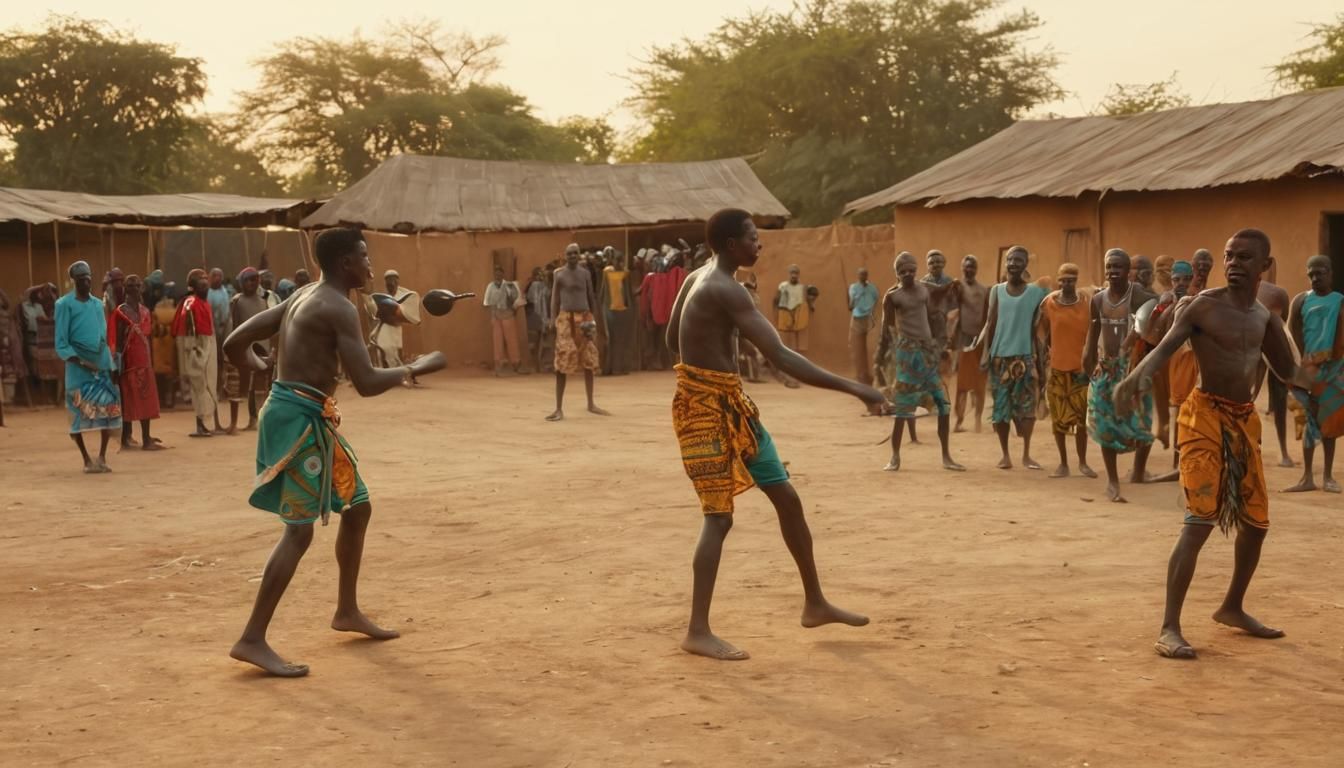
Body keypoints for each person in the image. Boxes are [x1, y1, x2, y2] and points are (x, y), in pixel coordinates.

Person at [224, 227, 447, 677]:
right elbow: (365, 382)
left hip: (305, 413)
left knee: (358, 506)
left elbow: (235, 343)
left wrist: (258, 364)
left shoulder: (307, 293)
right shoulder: (339, 307)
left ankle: (346, 610)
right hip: (298, 422)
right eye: (364, 257)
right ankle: (251, 638)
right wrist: (414, 368)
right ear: (346, 263)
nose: (370, 264)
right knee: (299, 532)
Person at [668, 208, 879, 661]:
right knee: (718, 518)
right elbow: (782, 357)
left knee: (786, 497)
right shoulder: (724, 288)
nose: (759, 246)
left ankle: (815, 603)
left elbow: (671, 338)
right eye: (752, 238)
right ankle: (697, 631)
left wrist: (713, 345)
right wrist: (855, 387)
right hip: (704, 412)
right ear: (730, 245)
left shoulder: (697, 278)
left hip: (732, 405)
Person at [1115, 229, 1307, 660]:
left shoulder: (1265, 317)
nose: (1234, 263)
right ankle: (1169, 626)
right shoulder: (1204, 306)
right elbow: (1163, 349)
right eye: (1229, 256)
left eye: (1244, 258)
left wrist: (1322, 383)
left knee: (1256, 523)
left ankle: (1233, 607)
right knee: (1199, 520)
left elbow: (1288, 371)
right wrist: (1134, 378)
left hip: (1243, 421)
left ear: (1265, 266)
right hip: (1202, 416)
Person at [877, 252, 965, 472]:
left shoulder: (924, 289)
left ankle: (946, 456)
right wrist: (887, 354)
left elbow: (937, 307)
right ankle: (895, 457)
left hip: (927, 353)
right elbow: (886, 328)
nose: (907, 274)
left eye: (911, 270)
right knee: (903, 408)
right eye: (902, 271)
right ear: (896, 273)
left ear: (916, 270)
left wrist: (938, 344)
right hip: (907, 356)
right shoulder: (892, 297)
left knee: (943, 403)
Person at [1084, 248, 1154, 502]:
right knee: (1105, 426)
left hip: (1132, 370)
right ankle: (1112, 482)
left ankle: (1137, 471)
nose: (1113, 272)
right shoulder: (1098, 300)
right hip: (1106, 369)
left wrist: (1135, 338)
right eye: (1109, 267)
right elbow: (1092, 336)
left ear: (1128, 271)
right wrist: (1089, 361)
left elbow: (1154, 310)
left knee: (1142, 424)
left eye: (1118, 267)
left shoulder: (1138, 297)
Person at [980, 246, 1048, 469]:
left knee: (1026, 409)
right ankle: (1005, 454)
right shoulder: (996, 291)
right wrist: (985, 353)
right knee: (1000, 410)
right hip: (999, 358)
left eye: (1019, 260)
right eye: (1010, 259)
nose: (1013, 263)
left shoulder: (1037, 293)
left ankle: (1026, 454)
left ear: (1026, 264)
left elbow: (1043, 325)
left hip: (1025, 357)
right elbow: (990, 323)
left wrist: (1042, 358)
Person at [55, 261, 122, 473]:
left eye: (88, 277)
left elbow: (102, 337)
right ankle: (86, 459)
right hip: (78, 367)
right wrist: (82, 362)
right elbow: (61, 342)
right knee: (78, 413)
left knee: (108, 413)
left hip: (100, 365)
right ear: (74, 281)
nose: (86, 281)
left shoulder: (97, 304)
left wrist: (110, 365)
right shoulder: (64, 304)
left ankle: (102, 457)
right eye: (81, 278)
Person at [1284, 255, 1343, 494]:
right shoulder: (1300, 300)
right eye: (1311, 274)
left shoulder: (1339, 301)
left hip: (1333, 369)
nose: (1315, 278)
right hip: (1307, 369)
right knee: (1309, 421)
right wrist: (1299, 366)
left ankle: (1328, 476)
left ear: (1330, 273)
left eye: (1320, 273)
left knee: (1329, 422)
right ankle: (1307, 476)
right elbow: (1291, 332)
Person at [1038, 264, 1096, 479]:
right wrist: (1045, 349)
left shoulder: (1086, 303)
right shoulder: (1050, 303)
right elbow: (1042, 328)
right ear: (1058, 281)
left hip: (1080, 370)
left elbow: (1093, 331)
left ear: (1076, 280)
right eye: (1063, 280)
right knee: (1058, 420)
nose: (1067, 284)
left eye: (1071, 280)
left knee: (1082, 420)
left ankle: (1082, 462)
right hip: (1057, 370)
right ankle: (1063, 464)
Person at [547, 244, 608, 421]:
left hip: (585, 318)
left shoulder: (585, 273)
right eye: (569, 254)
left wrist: (594, 320)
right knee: (562, 359)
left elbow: (591, 296)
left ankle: (591, 403)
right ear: (565, 256)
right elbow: (555, 298)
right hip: (566, 318)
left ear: (579, 255)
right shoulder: (559, 274)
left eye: (575, 253)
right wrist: (552, 318)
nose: (572, 256)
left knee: (588, 358)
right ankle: (558, 408)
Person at [113, 275, 164, 450]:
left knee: (146, 399)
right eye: (131, 285)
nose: (135, 288)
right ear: (125, 288)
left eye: (137, 285)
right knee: (128, 400)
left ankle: (146, 436)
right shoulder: (121, 311)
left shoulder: (144, 311)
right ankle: (126, 437)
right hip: (129, 361)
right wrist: (117, 363)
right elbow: (118, 339)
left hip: (144, 360)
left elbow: (148, 338)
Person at [1252, 263, 1295, 468]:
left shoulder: (1272, 293)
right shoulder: (1279, 294)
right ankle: (1282, 452)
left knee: (1252, 400)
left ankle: (1280, 451)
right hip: (1266, 348)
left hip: (1263, 349)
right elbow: (1281, 322)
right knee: (1254, 401)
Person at [174, 272, 219, 438]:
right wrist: (195, 351)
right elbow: (189, 331)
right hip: (197, 347)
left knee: (209, 384)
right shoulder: (190, 303)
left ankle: (205, 423)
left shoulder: (204, 303)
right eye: (202, 285)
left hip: (208, 344)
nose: (205, 287)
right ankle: (200, 424)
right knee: (199, 386)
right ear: (194, 287)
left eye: (206, 284)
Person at [228, 268, 273, 431]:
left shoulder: (263, 301)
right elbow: (233, 326)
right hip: (244, 348)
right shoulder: (237, 302)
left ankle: (257, 419)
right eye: (248, 280)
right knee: (243, 385)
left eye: (255, 280)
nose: (252, 283)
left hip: (261, 347)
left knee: (259, 386)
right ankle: (235, 423)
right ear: (242, 282)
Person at [953, 255, 989, 432]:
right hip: (964, 341)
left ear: (976, 269)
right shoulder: (957, 289)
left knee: (980, 384)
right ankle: (959, 421)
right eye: (966, 267)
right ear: (962, 268)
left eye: (972, 267)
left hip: (980, 342)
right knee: (962, 385)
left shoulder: (984, 290)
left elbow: (988, 316)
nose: (969, 270)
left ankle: (977, 420)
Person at [366, 269, 421, 369]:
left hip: (396, 328)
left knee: (395, 350)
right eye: (388, 281)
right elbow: (376, 313)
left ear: (397, 281)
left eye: (393, 280)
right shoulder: (384, 297)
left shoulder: (404, 295)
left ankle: (399, 372)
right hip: (384, 327)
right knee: (382, 347)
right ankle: (384, 371)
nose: (390, 283)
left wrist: (393, 314)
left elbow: (407, 315)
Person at [599, 250, 636, 376]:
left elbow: (628, 294)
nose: (619, 263)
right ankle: (607, 368)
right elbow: (603, 291)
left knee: (621, 340)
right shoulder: (607, 272)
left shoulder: (625, 273)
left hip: (623, 310)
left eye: (621, 261)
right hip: (609, 309)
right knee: (610, 339)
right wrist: (600, 307)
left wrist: (630, 309)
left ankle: (620, 368)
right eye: (617, 260)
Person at [847, 267, 880, 407]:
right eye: (860, 274)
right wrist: (855, 298)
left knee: (870, 346)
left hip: (868, 318)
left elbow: (876, 300)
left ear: (867, 275)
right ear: (857, 276)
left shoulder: (872, 288)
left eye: (865, 274)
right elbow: (851, 304)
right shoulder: (853, 288)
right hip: (857, 317)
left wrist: (870, 310)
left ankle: (870, 374)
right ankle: (860, 374)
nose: (863, 276)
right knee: (856, 346)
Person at [483, 265, 523, 376]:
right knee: (497, 341)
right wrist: (492, 316)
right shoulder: (490, 286)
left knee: (512, 340)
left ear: (503, 274)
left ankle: (516, 364)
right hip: (496, 315)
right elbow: (488, 302)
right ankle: (498, 366)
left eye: (500, 273)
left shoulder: (509, 285)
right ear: (494, 275)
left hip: (508, 314)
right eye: (496, 273)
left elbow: (517, 300)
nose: (498, 275)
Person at [774, 265, 811, 356]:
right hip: (785, 313)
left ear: (798, 275)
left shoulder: (802, 287)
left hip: (797, 315)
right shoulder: (782, 286)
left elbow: (806, 301)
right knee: (785, 337)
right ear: (789, 274)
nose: (794, 275)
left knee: (797, 339)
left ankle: (797, 357)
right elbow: (776, 300)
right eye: (792, 273)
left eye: (796, 273)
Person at [525, 267, 553, 374]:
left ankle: (545, 365)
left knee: (546, 342)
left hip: (545, 317)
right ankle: (535, 365)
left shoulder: (547, 287)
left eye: (542, 275)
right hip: (534, 316)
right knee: (533, 343)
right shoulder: (533, 286)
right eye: (538, 274)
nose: (540, 277)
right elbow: (529, 299)